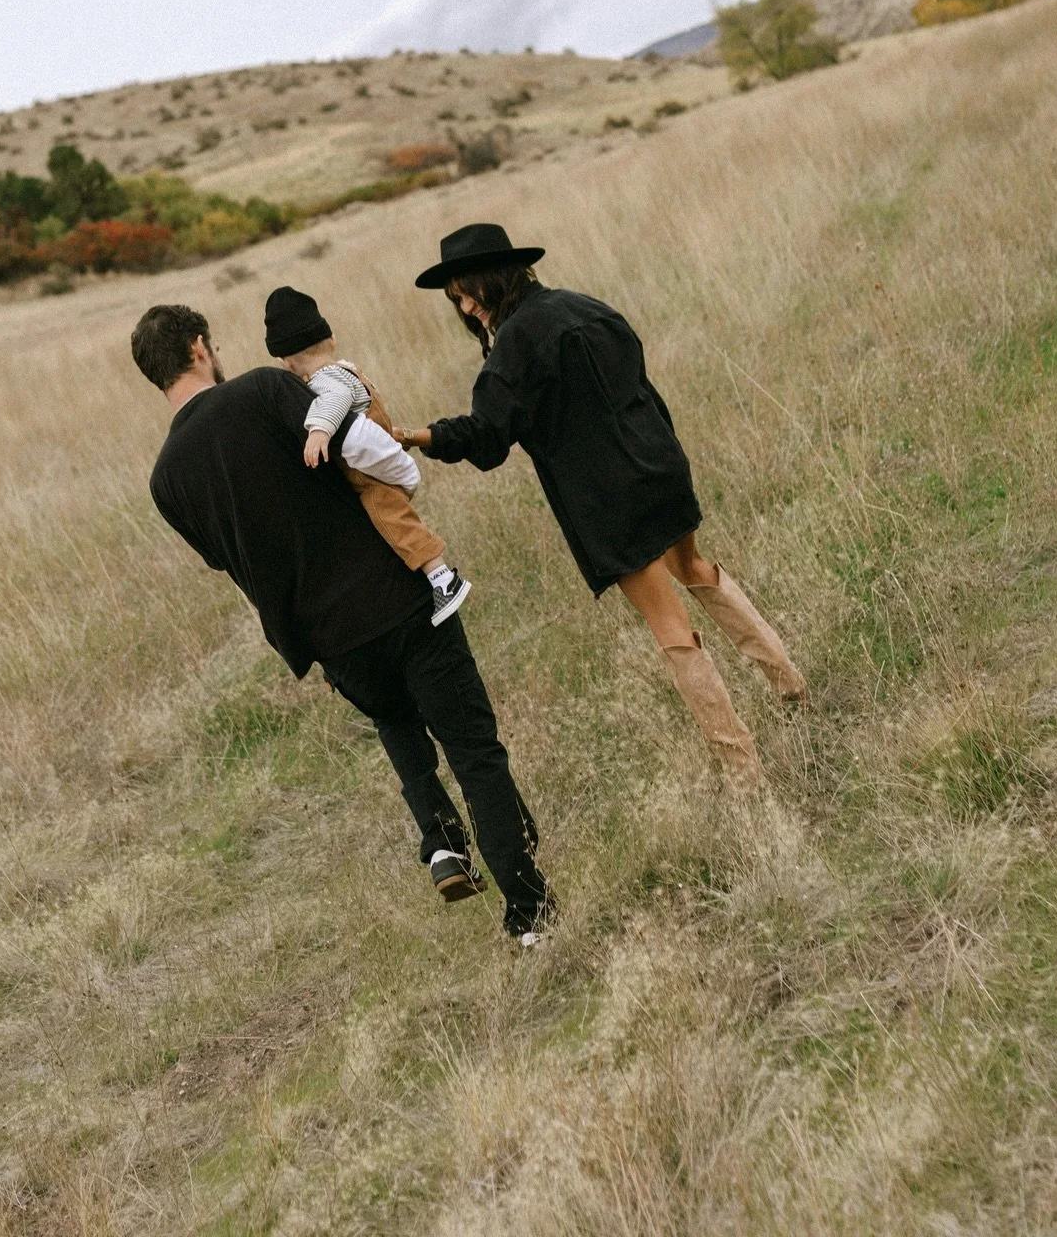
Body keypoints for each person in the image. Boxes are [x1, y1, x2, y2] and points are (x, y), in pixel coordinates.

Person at [131, 301, 553, 942]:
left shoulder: (166, 481)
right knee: (475, 753)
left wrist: (310, 647)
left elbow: (236, 566)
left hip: (328, 641)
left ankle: (443, 841)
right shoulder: (265, 389)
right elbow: (356, 453)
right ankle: (530, 916)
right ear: (197, 347)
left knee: (396, 722)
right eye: (209, 344)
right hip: (397, 598)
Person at [395, 224, 806, 789]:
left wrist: (420, 436)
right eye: (457, 302)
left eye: (465, 294)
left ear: (491, 283)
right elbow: (644, 384)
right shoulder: (587, 307)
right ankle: (789, 684)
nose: (465, 309)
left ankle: (744, 773)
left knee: (670, 626)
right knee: (695, 569)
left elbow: (487, 440)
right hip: (661, 464)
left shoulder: (514, 344)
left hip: (608, 498)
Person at [262, 284, 470, 625]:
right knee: (395, 518)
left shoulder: (324, 380)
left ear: (287, 364)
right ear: (331, 340)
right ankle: (434, 576)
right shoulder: (345, 367)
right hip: (379, 454)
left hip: (369, 472)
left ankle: (442, 578)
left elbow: (336, 399)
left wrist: (318, 430)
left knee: (392, 519)